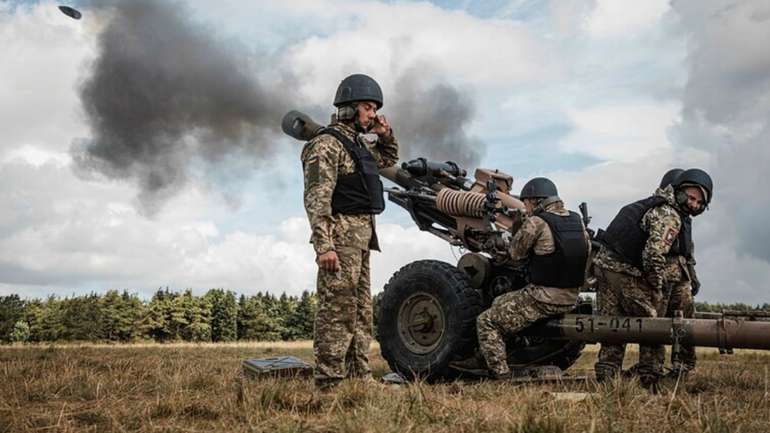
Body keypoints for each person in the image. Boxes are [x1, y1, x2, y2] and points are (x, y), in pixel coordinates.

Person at [301, 74, 399, 390]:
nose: (373, 115)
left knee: (359, 313)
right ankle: (329, 382)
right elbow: (317, 197)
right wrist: (324, 246)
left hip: (360, 241)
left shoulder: (357, 146)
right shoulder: (326, 145)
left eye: (374, 109)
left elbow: (387, 159)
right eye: (368, 108)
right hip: (340, 240)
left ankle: (359, 377)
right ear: (348, 108)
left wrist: (385, 135)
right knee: (336, 313)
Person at [593, 168, 713, 388]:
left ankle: (607, 375)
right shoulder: (669, 215)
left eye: (699, 202)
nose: (694, 205)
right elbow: (653, 255)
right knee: (652, 322)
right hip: (624, 271)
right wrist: (655, 285)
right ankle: (650, 375)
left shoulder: (652, 205)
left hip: (605, 267)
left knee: (612, 322)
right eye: (692, 198)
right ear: (679, 190)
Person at [476, 178, 591, 379]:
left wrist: (512, 235)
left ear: (536, 201)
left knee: (487, 320)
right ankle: (519, 354)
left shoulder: (537, 222)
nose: (526, 208)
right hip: (572, 297)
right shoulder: (577, 221)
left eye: (526, 203)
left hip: (543, 298)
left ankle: (502, 376)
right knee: (499, 302)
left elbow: (515, 254)